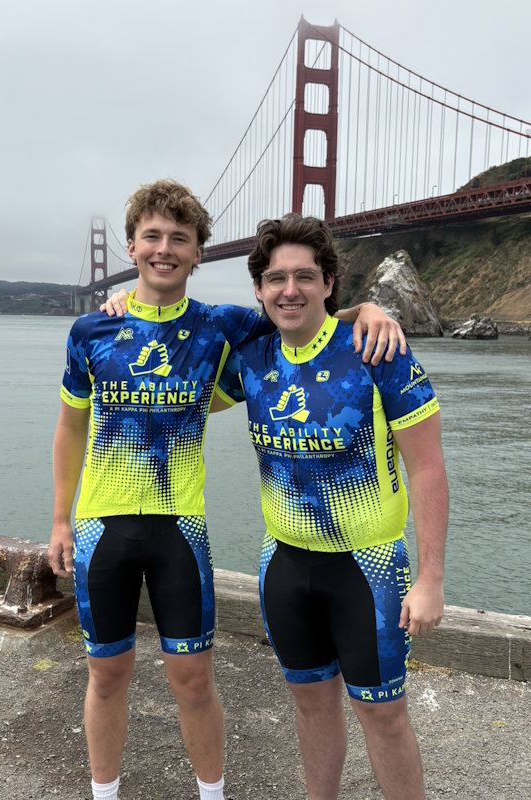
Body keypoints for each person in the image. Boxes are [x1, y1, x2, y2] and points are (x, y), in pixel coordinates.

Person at [48, 180, 406, 800]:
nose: (165, 249)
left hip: (180, 530)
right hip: (100, 529)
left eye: (179, 239)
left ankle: (210, 795)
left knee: (193, 680)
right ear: (131, 246)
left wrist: (364, 312)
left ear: (196, 252)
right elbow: (69, 429)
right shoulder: (89, 332)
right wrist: (59, 521)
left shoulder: (221, 328)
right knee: (105, 676)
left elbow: (296, 316)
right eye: (152, 237)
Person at [215, 213, 448, 800]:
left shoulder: (377, 350)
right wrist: (126, 300)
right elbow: (173, 352)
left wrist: (430, 578)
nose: (289, 290)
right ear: (259, 290)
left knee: (384, 715)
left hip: (367, 570)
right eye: (275, 279)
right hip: (284, 565)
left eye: (304, 276)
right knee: (311, 704)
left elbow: (427, 467)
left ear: (328, 282)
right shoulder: (253, 359)